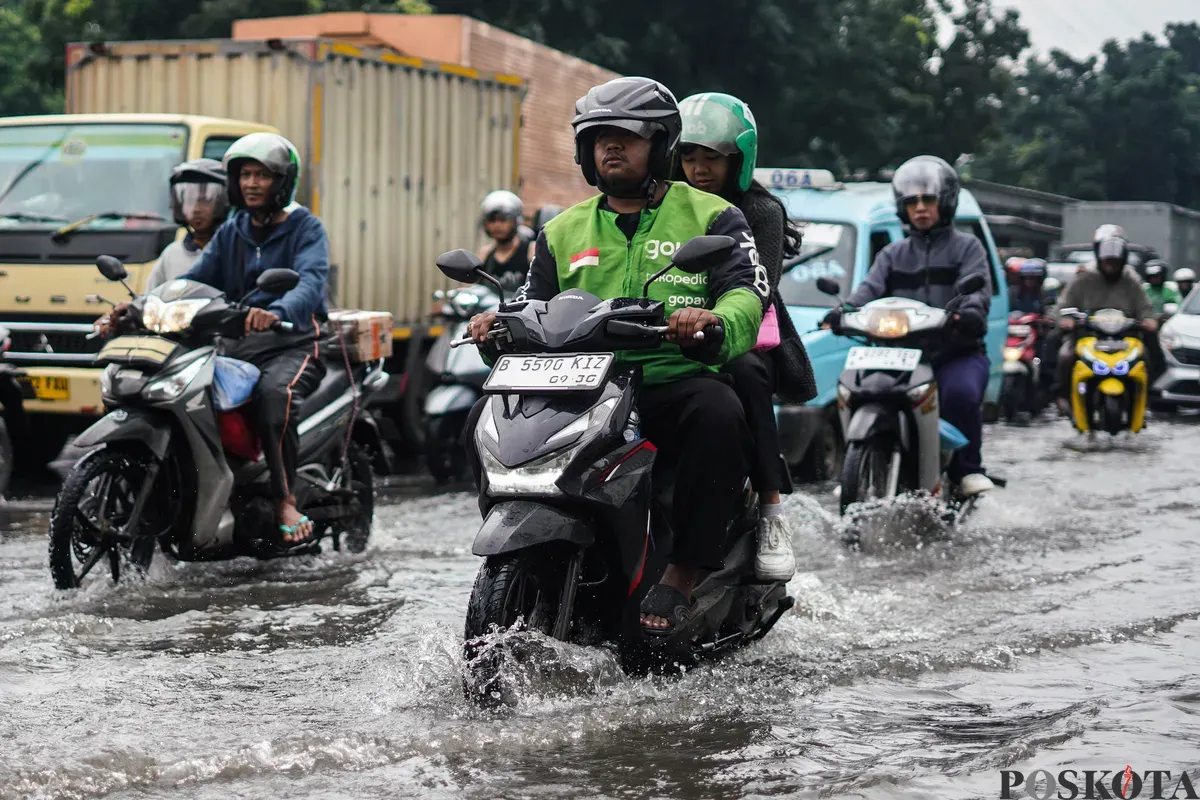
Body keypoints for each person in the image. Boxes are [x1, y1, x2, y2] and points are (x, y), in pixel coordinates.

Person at [466, 76, 769, 635]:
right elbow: (531, 303)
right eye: (599, 137)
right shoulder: (560, 231)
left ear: (660, 146)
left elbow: (745, 293)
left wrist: (713, 321)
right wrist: (497, 327)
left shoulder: (713, 217)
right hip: (583, 387)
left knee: (719, 414)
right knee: (484, 415)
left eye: (627, 137)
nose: (611, 147)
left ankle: (683, 572)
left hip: (669, 379)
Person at [673, 90, 817, 582]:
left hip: (745, 332)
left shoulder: (761, 211)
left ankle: (772, 508)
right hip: (667, 330)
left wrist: (711, 316)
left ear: (738, 159)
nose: (698, 169)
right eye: (689, 157)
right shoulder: (667, 205)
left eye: (711, 158)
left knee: (747, 373)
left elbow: (759, 289)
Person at [183, 132, 331, 545]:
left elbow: (310, 282)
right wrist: (143, 305)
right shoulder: (233, 229)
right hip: (238, 345)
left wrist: (278, 312)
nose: (250, 183)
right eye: (245, 175)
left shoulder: (306, 228)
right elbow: (194, 280)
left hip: (294, 344)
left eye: (261, 175)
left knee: (273, 397)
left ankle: (285, 499)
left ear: (281, 182)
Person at [821, 155, 994, 497]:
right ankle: (859, 469)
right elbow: (867, 291)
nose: (920, 208)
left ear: (946, 202)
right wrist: (843, 311)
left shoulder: (968, 247)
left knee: (960, 393)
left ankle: (967, 470)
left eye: (928, 199)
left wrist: (970, 312)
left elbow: (978, 292)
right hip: (900, 355)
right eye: (912, 201)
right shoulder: (892, 254)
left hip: (955, 352)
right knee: (857, 386)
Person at [1053, 227, 1155, 412]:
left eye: (1115, 262)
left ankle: (1145, 398)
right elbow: (1064, 305)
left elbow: (1145, 307)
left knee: (1147, 356)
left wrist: (1148, 320)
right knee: (1065, 356)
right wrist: (1066, 319)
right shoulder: (1083, 279)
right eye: (1107, 261)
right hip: (1087, 334)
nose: (1111, 266)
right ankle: (1064, 396)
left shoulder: (1131, 281)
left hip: (1125, 337)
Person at [147, 158, 228, 289]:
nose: (196, 209)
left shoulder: (234, 251)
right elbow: (152, 296)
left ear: (223, 201)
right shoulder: (172, 254)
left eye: (205, 200)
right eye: (190, 201)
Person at [475, 190, 535, 293]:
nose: (497, 225)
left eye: (503, 219)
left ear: (516, 221)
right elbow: (469, 289)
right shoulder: (484, 254)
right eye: (492, 220)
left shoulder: (531, 250)